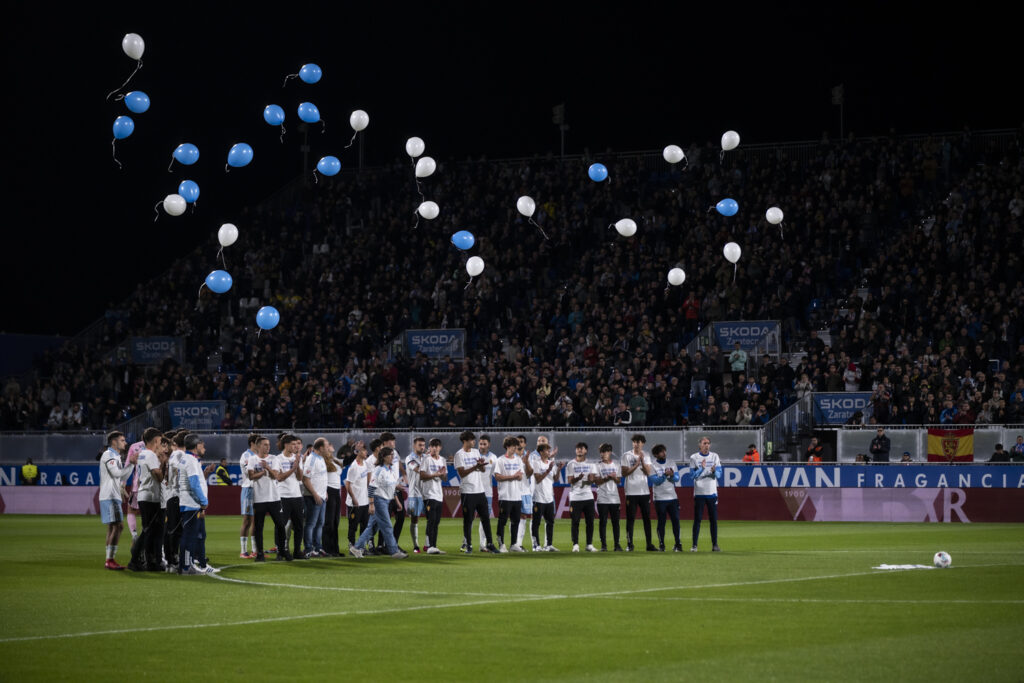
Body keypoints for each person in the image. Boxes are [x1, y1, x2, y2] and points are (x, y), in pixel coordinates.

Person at [349, 447, 409, 559]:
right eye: (390, 455)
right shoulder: (379, 470)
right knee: (387, 526)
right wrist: (371, 504)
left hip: (386, 500)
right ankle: (394, 551)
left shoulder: (388, 469)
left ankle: (356, 547)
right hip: (379, 501)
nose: (393, 457)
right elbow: (372, 487)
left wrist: (396, 499)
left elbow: (391, 486)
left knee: (372, 527)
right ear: (384, 457)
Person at [177, 434, 217, 575]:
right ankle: (186, 567)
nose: (204, 447)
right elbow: (194, 484)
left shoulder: (185, 459)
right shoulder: (192, 461)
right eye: (202, 444)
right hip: (191, 504)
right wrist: (204, 501)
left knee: (188, 536)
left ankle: (186, 565)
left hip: (186, 503)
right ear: (196, 445)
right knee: (189, 536)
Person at [128, 427, 166, 571]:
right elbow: (158, 475)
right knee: (148, 530)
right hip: (150, 496)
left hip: (144, 495)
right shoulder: (150, 455)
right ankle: (135, 559)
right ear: (156, 440)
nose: (160, 443)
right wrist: (162, 464)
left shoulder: (142, 454)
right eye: (160, 441)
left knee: (150, 530)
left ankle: (150, 562)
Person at [453, 430, 497, 554]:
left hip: (480, 491)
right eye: (472, 440)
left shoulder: (476, 452)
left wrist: (481, 465)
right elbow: (461, 473)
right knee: (468, 520)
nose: (474, 442)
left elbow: (482, 470)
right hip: (467, 491)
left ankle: (490, 544)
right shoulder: (459, 455)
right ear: (465, 441)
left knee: (485, 519)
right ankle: (468, 545)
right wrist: (475, 467)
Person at [98, 430, 136, 570]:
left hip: (111, 494)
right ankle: (110, 560)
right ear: (114, 442)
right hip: (110, 496)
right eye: (122, 440)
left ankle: (109, 559)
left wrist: (130, 465)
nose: (125, 442)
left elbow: (119, 477)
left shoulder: (115, 456)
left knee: (112, 527)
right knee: (118, 526)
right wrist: (131, 464)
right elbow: (116, 474)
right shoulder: (109, 455)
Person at [248, 436, 288, 562]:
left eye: (269, 444)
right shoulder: (252, 459)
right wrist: (264, 472)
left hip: (274, 497)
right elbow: (251, 476)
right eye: (265, 444)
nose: (268, 447)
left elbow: (275, 475)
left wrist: (267, 468)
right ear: (258, 446)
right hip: (259, 498)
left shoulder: (273, 458)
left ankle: (281, 552)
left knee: (281, 525)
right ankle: (260, 553)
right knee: (259, 527)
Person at [621, 434, 656, 551]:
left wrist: (642, 461)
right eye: (634, 442)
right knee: (630, 519)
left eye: (639, 442)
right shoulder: (626, 455)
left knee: (647, 519)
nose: (636, 444)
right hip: (631, 492)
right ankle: (629, 544)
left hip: (644, 491)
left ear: (643, 443)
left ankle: (649, 544)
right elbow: (624, 473)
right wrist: (636, 465)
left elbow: (648, 472)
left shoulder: (646, 455)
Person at [271, 434, 304, 560]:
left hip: (297, 496)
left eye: (296, 444)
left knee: (299, 526)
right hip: (283, 496)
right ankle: (280, 551)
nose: (296, 446)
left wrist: (297, 465)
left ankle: (297, 551)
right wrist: (293, 468)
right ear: (286, 445)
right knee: (281, 525)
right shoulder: (277, 459)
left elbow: (300, 478)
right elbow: (279, 477)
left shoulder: (297, 458)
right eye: (293, 444)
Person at [689, 436, 722, 552]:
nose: (706, 445)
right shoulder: (694, 457)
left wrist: (714, 472)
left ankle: (715, 545)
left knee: (713, 520)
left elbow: (719, 475)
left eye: (708, 443)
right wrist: (701, 469)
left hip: (712, 493)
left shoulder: (715, 456)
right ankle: (694, 545)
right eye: (704, 443)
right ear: (700, 445)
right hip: (699, 493)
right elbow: (692, 476)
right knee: (697, 520)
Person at [493, 436, 525, 552]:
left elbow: (520, 476)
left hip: (517, 495)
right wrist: (512, 476)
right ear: (507, 446)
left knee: (515, 521)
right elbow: (497, 477)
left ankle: (513, 544)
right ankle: (501, 544)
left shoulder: (518, 460)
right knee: (502, 521)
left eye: (516, 447)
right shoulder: (500, 460)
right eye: (513, 447)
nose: (514, 449)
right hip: (505, 495)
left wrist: (517, 476)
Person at [302, 437, 331, 557]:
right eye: (327, 446)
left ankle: (317, 548)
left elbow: (320, 477)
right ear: (320, 448)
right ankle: (308, 549)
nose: (328, 448)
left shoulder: (321, 458)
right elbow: (305, 479)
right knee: (310, 524)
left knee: (320, 523)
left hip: (322, 496)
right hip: (313, 497)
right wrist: (315, 494)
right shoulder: (311, 460)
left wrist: (325, 493)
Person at [649, 444, 682, 552]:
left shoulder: (671, 462)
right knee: (661, 522)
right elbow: (656, 481)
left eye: (664, 451)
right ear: (656, 454)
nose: (664, 453)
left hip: (672, 497)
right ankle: (662, 545)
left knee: (676, 521)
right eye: (661, 452)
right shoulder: (652, 465)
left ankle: (678, 544)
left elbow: (676, 478)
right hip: (659, 498)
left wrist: (672, 475)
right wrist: (664, 475)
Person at [418, 437, 448, 554]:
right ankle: (430, 546)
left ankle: (434, 546)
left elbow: (445, 478)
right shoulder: (426, 459)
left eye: (436, 446)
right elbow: (422, 476)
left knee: (436, 521)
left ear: (440, 448)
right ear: (429, 448)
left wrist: (441, 475)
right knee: (431, 520)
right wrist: (434, 474)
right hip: (429, 494)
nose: (434, 448)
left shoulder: (443, 460)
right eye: (432, 446)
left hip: (438, 494)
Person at [530, 442, 561, 552]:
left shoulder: (551, 463)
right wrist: (548, 469)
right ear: (541, 452)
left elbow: (556, 479)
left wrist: (559, 469)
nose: (549, 452)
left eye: (549, 450)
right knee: (536, 522)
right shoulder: (536, 463)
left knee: (550, 522)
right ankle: (536, 545)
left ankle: (548, 545)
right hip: (538, 498)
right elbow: (538, 479)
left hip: (549, 497)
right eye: (547, 450)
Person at [567, 442, 597, 552]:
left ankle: (589, 544)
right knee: (575, 522)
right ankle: (575, 544)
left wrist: (590, 479)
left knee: (590, 522)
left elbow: (592, 480)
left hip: (588, 496)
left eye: (581, 448)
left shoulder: (591, 464)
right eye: (577, 448)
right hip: (575, 497)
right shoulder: (571, 464)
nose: (579, 450)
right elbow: (570, 480)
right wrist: (578, 478)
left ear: (586, 451)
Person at [594, 443, 622, 552]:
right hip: (602, 498)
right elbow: (597, 482)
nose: (603, 454)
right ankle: (604, 545)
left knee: (616, 523)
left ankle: (617, 544)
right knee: (603, 522)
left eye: (605, 451)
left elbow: (619, 481)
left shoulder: (616, 464)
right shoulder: (597, 465)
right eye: (601, 452)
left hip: (615, 498)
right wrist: (607, 478)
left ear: (610, 452)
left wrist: (614, 478)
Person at [344, 441, 371, 552]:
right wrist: (354, 498)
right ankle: (352, 546)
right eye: (364, 450)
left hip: (364, 501)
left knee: (364, 526)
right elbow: (347, 484)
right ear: (358, 452)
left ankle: (361, 546)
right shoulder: (353, 467)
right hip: (355, 502)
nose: (366, 452)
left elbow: (369, 475)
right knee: (353, 526)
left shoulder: (365, 464)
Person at [237, 433, 260, 559]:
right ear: (252, 443)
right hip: (248, 489)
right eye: (259, 442)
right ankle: (243, 551)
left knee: (256, 522)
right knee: (247, 521)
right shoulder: (246, 455)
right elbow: (250, 472)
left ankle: (255, 550)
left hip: (259, 490)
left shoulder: (259, 456)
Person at [476, 435, 499, 552]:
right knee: (469, 518)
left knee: (484, 518)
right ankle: (465, 543)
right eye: (480, 444)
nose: (482, 446)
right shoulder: (474, 455)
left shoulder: (493, 458)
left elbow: (497, 475)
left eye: (484, 444)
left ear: (489, 444)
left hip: (487, 492)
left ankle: (482, 544)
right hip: (474, 491)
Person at [323, 442, 345, 557]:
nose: (331, 446)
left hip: (336, 491)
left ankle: (335, 549)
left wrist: (354, 450)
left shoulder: (334, 460)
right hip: (329, 490)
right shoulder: (323, 461)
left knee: (336, 521)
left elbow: (347, 461)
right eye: (328, 445)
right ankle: (327, 549)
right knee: (329, 522)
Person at [404, 436, 426, 553]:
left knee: (431, 519)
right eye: (420, 445)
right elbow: (418, 469)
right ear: (414, 445)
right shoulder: (409, 458)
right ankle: (416, 545)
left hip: (427, 493)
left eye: (423, 445)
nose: (422, 447)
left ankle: (428, 544)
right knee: (415, 519)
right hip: (414, 493)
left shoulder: (427, 457)